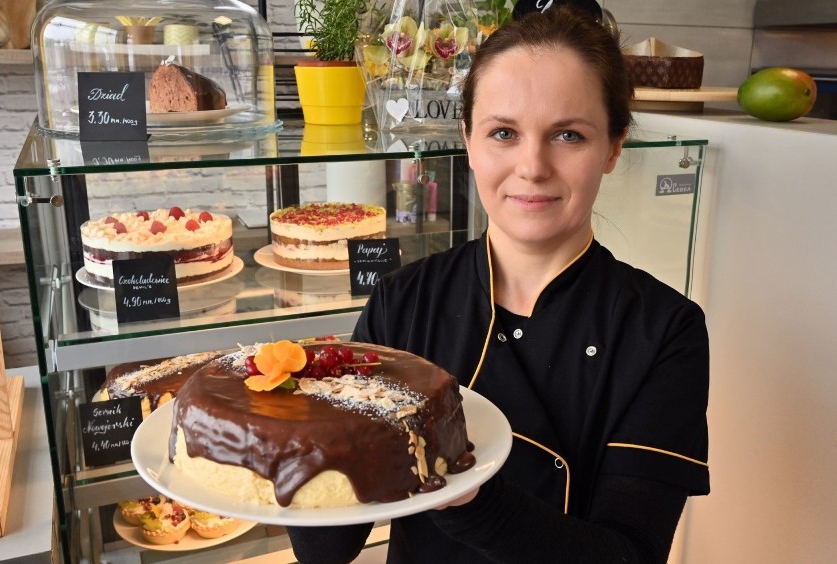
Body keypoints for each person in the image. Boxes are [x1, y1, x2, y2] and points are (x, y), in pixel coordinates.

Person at [288, 4, 710, 563]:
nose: (532, 166)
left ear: (613, 146)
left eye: (568, 135)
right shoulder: (404, 301)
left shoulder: (663, 330)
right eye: (504, 132)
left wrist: (465, 493)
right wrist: (300, 430)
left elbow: (629, 555)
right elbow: (326, 550)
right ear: (467, 139)